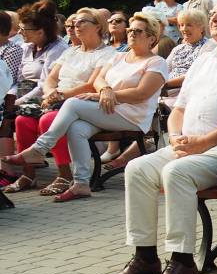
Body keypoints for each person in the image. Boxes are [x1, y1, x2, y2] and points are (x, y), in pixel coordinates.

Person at [101, 0, 217, 274]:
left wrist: (204, 142)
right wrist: (175, 135)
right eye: (214, 13)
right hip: (190, 145)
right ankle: (144, 257)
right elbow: (179, 106)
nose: (214, 18)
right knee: (137, 168)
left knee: (176, 173)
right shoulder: (205, 59)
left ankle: (182, 262)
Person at [3, 12, 166, 202]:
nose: (131, 33)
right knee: (76, 128)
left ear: (151, 38)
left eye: (138, 31)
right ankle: (81, 183)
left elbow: (141, 94)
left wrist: (106, 94)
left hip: (132, 116)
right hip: (108, 110)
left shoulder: (156, 62)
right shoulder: (119, 57)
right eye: (130, 30)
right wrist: (104, 89)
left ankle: (39, 149)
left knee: (73, 103)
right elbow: (99, 79)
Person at [5, 8, 116, 195]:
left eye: (82, 22)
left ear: (98, 26)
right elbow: (50, 78)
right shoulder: (71, 52)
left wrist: (62, 96)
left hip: (83, 102)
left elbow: (91, 85)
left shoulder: (107, 54)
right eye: (74, 23)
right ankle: (28, 174)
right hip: (57, 99)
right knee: (22, 121)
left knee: (48, 120)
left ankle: (64, 175)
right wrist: (50, 93)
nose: (76, 26)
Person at [160, 9, 211, 110]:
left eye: (189, 25)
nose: (184, 29)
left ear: (201, 27)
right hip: (165, 90)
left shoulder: (209, 46)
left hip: (187, 94)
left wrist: (165, 84)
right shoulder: (178, 48)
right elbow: (163, 69)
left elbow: (196, 75)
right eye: (181, 25)